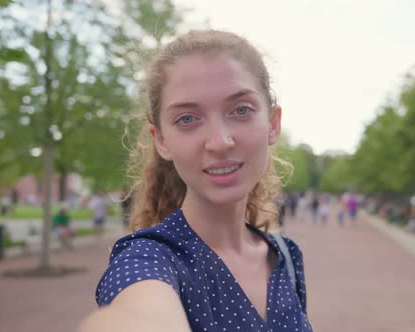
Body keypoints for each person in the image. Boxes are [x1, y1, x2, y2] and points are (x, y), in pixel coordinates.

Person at [79, 30, 312, 332]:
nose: (219, 141)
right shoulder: (148, 258)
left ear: (272, 123)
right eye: (187, 119)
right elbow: (137, 316)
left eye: (241, 110)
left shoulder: (286, 257)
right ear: (161, 140)